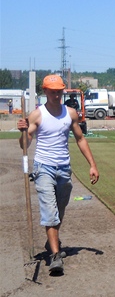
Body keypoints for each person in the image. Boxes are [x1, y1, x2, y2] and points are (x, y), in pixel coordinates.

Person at [17, 74, 99, 274]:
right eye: (52, 92)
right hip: (43, 168)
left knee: (59, 210)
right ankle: (55, 256)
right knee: (50, 212)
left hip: (64, 169)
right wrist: (23, 131)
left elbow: (80, 139)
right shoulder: (37, 115)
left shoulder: (70, 113)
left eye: (59, 91)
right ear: (45, 91)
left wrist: (92, 165)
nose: (56, 95)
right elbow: (25, 145)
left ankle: (50, 242)